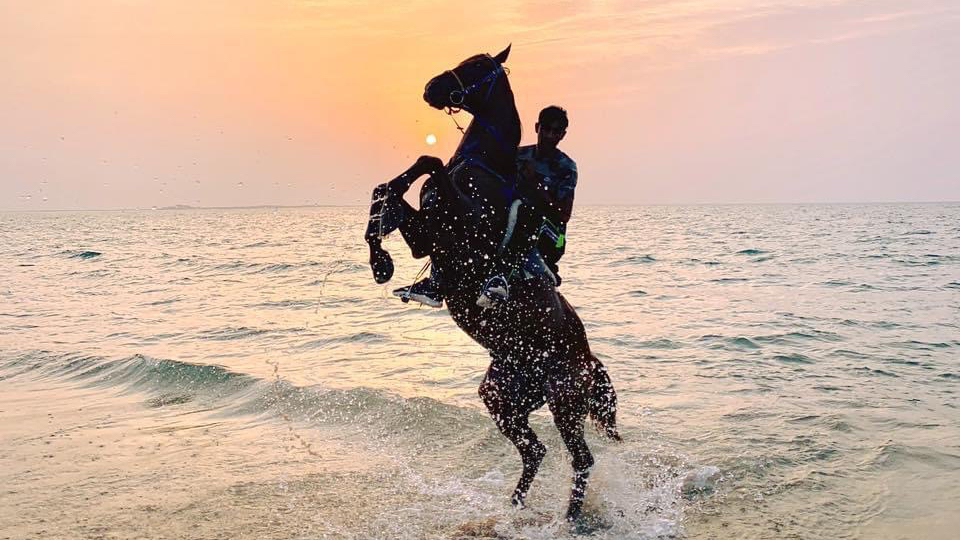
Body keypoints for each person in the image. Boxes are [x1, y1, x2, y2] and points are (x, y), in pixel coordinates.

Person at [394, 105, 577, 307]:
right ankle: (435, 284)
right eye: (546, 129)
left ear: (563, 135)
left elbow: (563, 214)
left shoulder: (566, 167)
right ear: (537, 127)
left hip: (549, 235)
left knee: (526, 210)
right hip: (513, 220)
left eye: (556, 131)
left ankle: (501, 276)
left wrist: (534, 184)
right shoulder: (518, 155)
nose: (550, 136)